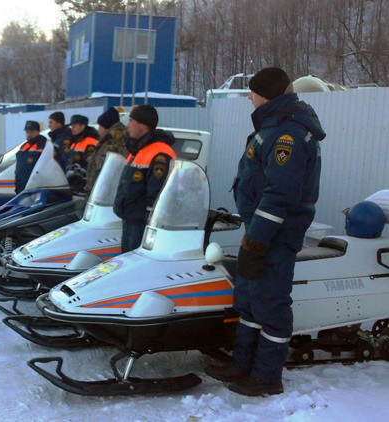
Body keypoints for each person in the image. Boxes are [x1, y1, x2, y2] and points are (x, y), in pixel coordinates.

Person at [204, 67, 326, 396]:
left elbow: (279, 196)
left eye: (252, 91)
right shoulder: (273, 126)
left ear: (267, 95)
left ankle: (268, 376)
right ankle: (242, 364)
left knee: (270, 305)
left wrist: (256, 242)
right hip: (257, 233)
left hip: (273, 237)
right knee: (248, 300)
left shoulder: (287, 134)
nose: (248, 96)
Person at [113, 105, 176, 253]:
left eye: (131, 121)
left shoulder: (160, 152)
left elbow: (156, 192)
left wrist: (146, 218)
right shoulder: (138, 149)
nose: (128, 126)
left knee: (133, 261)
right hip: (131, 217)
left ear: (143, 125)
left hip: (141, 222)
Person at [85, 107, 129, 196]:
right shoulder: (106, 142)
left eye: (100, 126)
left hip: (105, 195)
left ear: (106, 127)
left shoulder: (114, 144)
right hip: (97, 195)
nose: (98, 130)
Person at [65, 114, 99, 195]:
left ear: (82, 126)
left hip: (82, 186)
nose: (72, 129)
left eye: (74, 126)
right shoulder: (76, 140)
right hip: (73, 183)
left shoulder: (90, 142)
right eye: (71, 126)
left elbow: (89, 166)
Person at [14, 120, 48, 194]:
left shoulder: (44, 145)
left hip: (35, 189)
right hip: (21, 188)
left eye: (31, 132)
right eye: (27, 132)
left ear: (37, 132)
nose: (28, 134)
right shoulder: (24, 146)